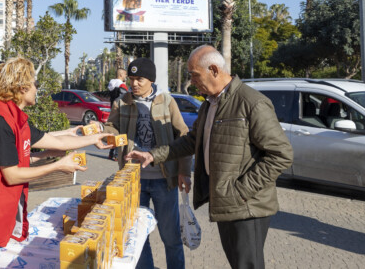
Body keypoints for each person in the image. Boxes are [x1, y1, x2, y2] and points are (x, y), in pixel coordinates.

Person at [0, 57, 113, 268]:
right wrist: (58, 165)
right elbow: (12, 175)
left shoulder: (15, 118)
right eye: (35, 84)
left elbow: (55, 140)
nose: (37, 89)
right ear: (21, 87)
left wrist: (94, 139)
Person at [125, 46, 293, 269]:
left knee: (248, 265)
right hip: (227, 202)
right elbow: (190, 142)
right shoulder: (210, 104)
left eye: (195, 75)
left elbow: (281, 155)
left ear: (214, 70)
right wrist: (152, 155)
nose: (192, 81)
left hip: (247, 206)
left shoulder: (251, 103)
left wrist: (240, 192)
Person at [104, 58, 191, 269]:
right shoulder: (121, 102)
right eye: (132, 79)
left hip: (164, 179)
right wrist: (105, 134)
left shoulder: (167, 101)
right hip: (133, 180)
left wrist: (184, 171)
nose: (134, 84)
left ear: (150, 80)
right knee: (137, 237)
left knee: (170, 237)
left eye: (139, 79)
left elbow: (184, 135)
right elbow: (111, 128)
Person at [107, 67, 129, 160]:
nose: (126, 76)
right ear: (121, 75)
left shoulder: (111, 84)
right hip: (121, 110)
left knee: (114, 131)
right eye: (125, 74)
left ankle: (111, 153)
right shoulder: (122, 86)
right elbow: (126, 98)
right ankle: (116, 155)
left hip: (113, 110)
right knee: (120, 132)